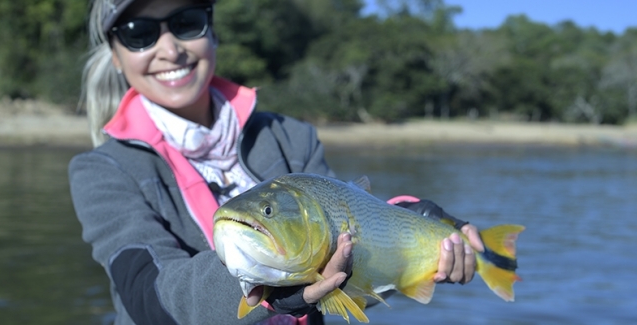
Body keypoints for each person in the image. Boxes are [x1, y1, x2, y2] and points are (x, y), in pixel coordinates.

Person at [68, 0, 485, 324]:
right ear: (116, 56)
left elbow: (344, 263)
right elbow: (149, 299)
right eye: (139, 33)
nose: (171, 48)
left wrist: (413, 222)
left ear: (212, 32)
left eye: (186, 22)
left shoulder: (290, 136)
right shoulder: (100, 172)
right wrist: (269, 289)